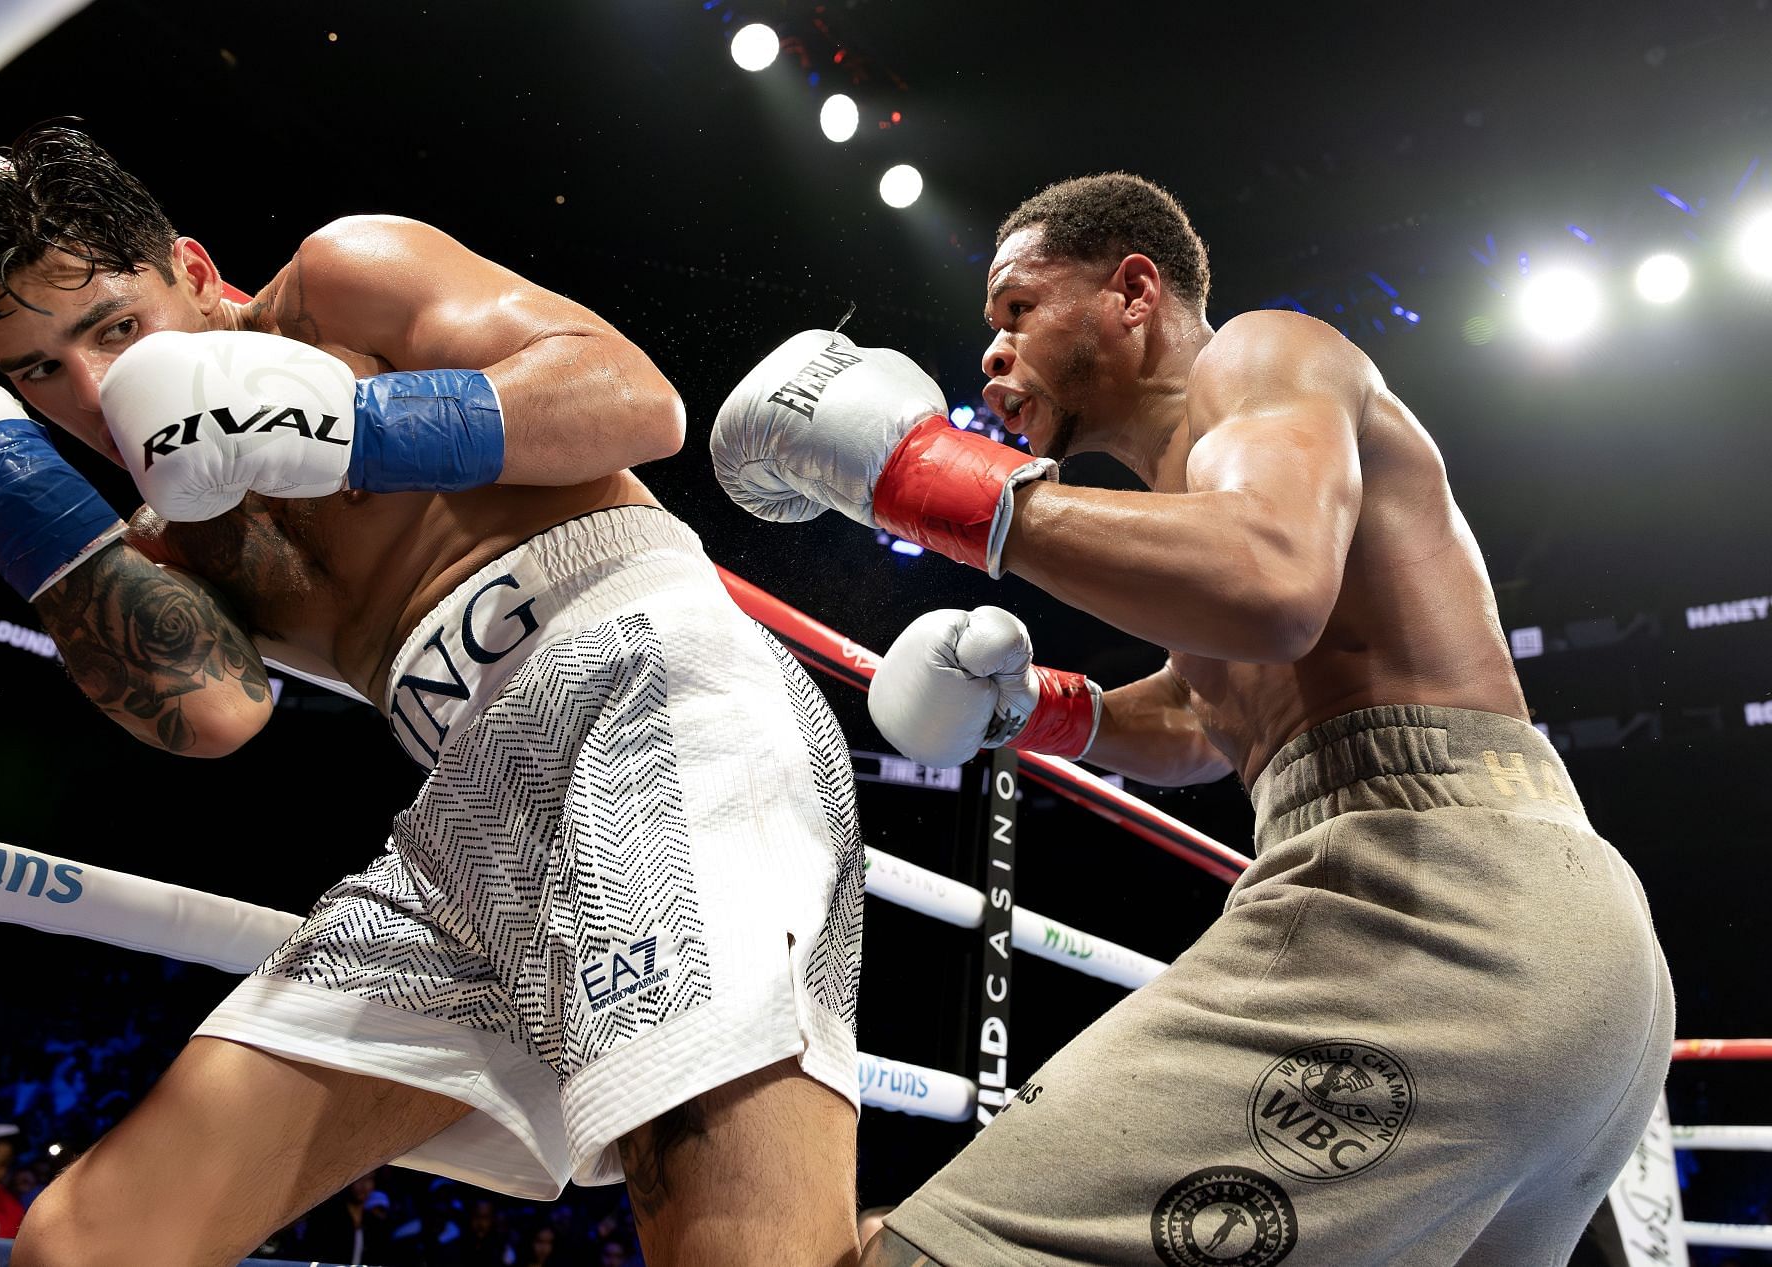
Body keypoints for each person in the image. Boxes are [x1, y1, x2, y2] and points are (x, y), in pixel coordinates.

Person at [0, 123, 864, 1267]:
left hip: (648, 695)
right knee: (89, 1243)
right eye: (35, 373)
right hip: (463, 828)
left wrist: (347, 428)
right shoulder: (164, 544)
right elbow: (214, 709)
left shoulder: (341, 282)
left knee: (746, 1250)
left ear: (191, 270)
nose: (90, 390)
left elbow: (637, 403)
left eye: (115, 328)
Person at [712, 172, 1674, 1266]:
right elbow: (1205, 713)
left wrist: (926, 478)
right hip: (1561, 949)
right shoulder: (1197, 507)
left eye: (1018, 310)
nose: (991, 353)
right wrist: (1035, 710)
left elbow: (1271, 582)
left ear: (1133, 291)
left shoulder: (1265, 359)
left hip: (1436, 898)